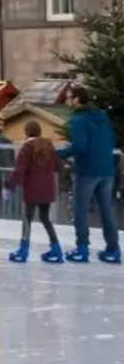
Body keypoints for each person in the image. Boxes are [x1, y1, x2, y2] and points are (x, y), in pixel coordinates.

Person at [56, 85, 119, 263]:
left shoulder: (79, 120)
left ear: (77, 99)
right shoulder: (103, 117)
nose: (66, 101)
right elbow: (112, 140)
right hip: (107, 169)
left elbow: (80, 146)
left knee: (80, 209)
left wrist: (57, 154)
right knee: (106, 210)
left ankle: (82, 249)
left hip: (87, 171)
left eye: (68, 98)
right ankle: (113, 250)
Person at [7, 119, 64, 263]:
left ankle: (23, 250)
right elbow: (58, 166)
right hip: (47, 190)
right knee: (46, 219)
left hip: (32, 190)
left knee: (27, 219)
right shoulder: (48, 146)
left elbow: (19, 170)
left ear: (26, 132)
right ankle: (56, 249)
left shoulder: (27, 148)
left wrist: (9, 185)